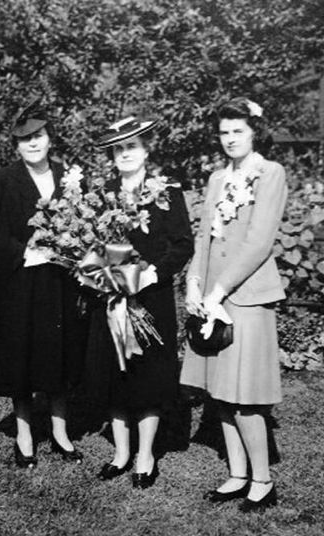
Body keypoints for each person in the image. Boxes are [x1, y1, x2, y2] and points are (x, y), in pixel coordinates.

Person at [180, 97, 288, 512]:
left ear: (255, 132)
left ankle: (262, 480)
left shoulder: (271, 173)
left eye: (238, 131)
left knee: (245, 397)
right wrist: (194, 282)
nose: (229, 139)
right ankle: (237, 475)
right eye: (224, 132)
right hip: (212, 294)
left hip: (245, 297)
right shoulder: (215, 179)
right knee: (220, 394)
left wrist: (219, 290)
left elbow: (259, 243)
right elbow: (205, 238)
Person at [0, 99, 88, 468]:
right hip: (20, 283)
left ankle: (60, 434)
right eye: (25, 139)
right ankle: (24, 436)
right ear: (16, 146)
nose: (34, 144)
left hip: (59, 285)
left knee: (58, 357)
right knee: (21, 360)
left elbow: (83, 225)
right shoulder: (1, 181)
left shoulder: (69, 177)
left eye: (39, 136)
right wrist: (28, 251)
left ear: (50, 139)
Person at [89, 116, 193, 489]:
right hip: (112, 298)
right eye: (118, 149)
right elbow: (90, 243)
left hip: (152, 299)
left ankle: (145, 455)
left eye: (131, 147)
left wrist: (152, 275)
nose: (125, 154)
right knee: (115, 373)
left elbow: (183, 245)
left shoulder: (167, 192)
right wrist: (100, 274)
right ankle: (120, 453)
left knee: (149, 376)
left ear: (146, 149)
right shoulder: (100, 195)